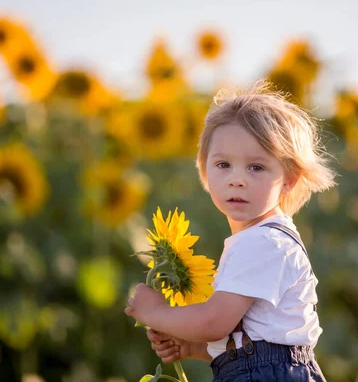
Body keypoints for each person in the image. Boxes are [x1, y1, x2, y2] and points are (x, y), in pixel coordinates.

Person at [125, 80, 337, 381]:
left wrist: (156, 312)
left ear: (288, 179)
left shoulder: (263, 242)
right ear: (205, 172)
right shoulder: (258, 239)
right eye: (223, 164)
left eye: (256, 167)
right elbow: (252, 334)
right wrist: (193, 347)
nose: (237, 179)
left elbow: (215, 321)